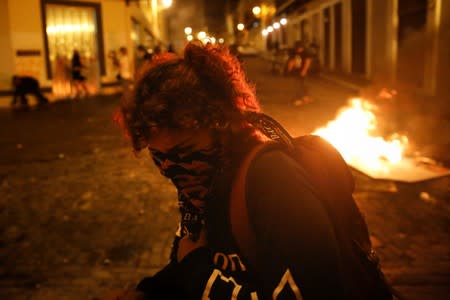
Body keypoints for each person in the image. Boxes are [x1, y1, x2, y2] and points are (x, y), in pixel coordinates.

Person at [113, 42, 392, 299]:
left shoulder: (274, 182)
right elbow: (189, 258)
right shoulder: (204, 184)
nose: (172, 170)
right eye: (158, 157)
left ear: (222, 125)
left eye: (183, 153)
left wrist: (195, 271)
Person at [286, 40, 314, 106]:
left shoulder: (306, 53)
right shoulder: (294, 53)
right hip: (296, 72)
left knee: (304, 85)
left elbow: (307, 62)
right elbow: (291, 61)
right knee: (297, 85)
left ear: (302, 47)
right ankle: (300, 98)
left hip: (304, 72)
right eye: (297, 48)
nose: (299, 49)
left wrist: (304, 71)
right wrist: (289, 69)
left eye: (300, 48)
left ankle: (304, 98)